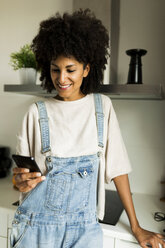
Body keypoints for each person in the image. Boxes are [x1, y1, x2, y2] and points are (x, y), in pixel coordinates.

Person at [11, 9, 165, 248]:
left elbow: (118, 169)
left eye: (70, 69)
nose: (61, 79)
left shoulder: (101, 108)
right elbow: (21, 180)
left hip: (84, 230)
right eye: (55, 69)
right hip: (35, 230)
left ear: (86, 69)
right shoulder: (35, 112)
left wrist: (136, 227)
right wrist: (19, 182)